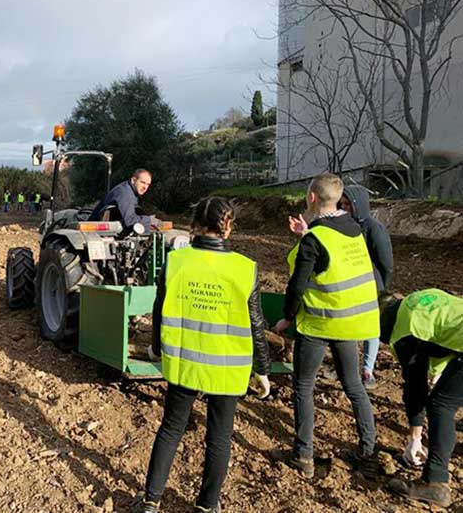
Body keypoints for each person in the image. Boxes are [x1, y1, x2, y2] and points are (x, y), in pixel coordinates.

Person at [135, 197, 271, 513]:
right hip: (228, 367)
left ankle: (150, 502)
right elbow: (256, 323)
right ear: (229, 227)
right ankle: (208, 506)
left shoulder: (176, 262)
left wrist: (155, 346)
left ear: (195, 225)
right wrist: (262, 368)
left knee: (171, 429)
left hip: (184, 361)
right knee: (219, 439)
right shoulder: (245, 268)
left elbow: (160, 308)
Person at [272, 173, 379, 478]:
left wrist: (287, 318)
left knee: (303, 386)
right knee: (354, 385)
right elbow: (332, 260)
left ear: (312, 198)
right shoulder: (354, 230)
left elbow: (297, 285)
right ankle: (368, 452)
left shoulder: (314, 239)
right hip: (352, 324)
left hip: (320, 324)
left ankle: (303, 455)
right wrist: (306, 234)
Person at [379, 290, 461, 508]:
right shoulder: (420, 299)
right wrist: (438, 371)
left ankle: (435, 483)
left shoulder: (403, 332)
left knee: (441, 405)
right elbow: (443, 335)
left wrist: (415, 438)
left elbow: (416, 388)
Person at [340, 185, 394, 390]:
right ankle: (348, 367)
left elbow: (385, 262)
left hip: (371, 285)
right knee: (350, 326)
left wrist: (382, 287)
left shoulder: (373, 228)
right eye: (342, 204)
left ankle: (367, 370)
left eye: (348, 204)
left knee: (371, 327)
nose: (344, 208)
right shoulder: (343, 226)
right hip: (347, 284)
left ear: (358, 205)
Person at [89, 169, 157, 229]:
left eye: (148, 184)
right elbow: (130, 220)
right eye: (143, 182)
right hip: (95, 231)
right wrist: (150, 220)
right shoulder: (125, 193)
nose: (145, 187)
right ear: (133, 180)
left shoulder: (131, 190)